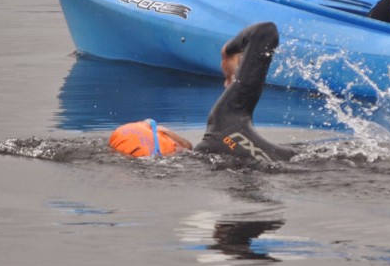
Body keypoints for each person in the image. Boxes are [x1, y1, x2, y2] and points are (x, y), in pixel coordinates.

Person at [108, 22, 295, 163]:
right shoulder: (225, 124)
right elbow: (264, 33)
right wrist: (228, 52)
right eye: (152, 124)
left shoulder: (212, 168)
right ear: (164, 138)